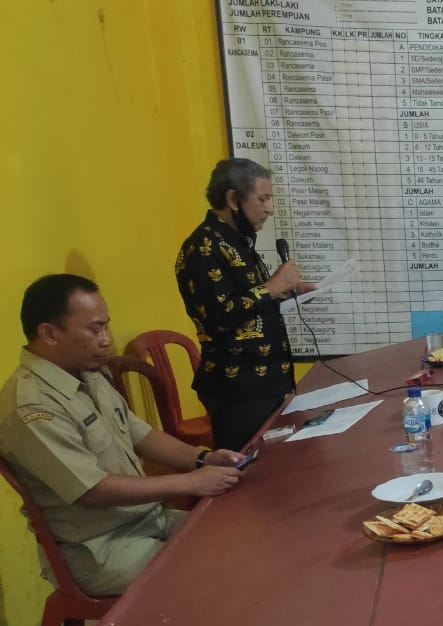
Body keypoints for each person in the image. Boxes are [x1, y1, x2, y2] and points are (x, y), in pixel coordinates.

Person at [0, 275, 246, 595]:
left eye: (106, 327)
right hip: (103, 549)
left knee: (240, 535)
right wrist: (191, 482)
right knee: (215, 574)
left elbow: (138, 432)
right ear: (49, 333)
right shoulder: (31, 406)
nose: (106, 340)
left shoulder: (85, 372)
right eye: (94, 329)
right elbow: (92, 490)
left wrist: (203, 458)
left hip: (149, 520)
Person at [175, 158, 312, 451]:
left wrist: (288, 292)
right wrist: (274, 285)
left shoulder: (238, 242)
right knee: (250, 468)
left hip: (267, 382)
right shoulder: (203, 248)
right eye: (262, 199)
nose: (269, 208)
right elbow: (220, 316)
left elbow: (250, 301)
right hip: (237, 388)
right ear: (233, 199)